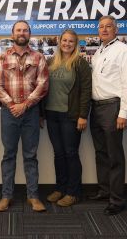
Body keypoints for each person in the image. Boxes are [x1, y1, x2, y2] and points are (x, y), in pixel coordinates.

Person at [0, 20, 49, 212]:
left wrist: (25, 105)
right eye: (19, 30)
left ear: (29, 33)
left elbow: (43, 84)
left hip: (31, 113)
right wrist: (12, 105)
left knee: (30, 156)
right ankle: (6, 196)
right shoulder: (2, 58)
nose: (22, 33)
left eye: (25, 30)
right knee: (9, 155)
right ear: (12, 33)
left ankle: (33, 196)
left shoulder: (39, 57)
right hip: (9, 113)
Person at [89, 16, 127, 215]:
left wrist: (123, 113)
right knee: (101, 152)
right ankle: (105, 190)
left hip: (113, 107)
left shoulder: (123, 50)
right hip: (96, 107)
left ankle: (116, 200)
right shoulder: (99, 50)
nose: (104, 29)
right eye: (101, 27)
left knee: (114, 155)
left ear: (116, 30)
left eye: (109, 26)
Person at [41, 29, 92, 207]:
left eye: (71, 41)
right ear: (59, 41)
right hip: (52, 114)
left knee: (71, 153)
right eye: (64, 40)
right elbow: (43, 89)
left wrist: (83, 115)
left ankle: (73, 192)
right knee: (59, 154)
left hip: (70, 116)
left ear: (75, 44)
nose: (67, 44)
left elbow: (86, 91)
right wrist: (41, 114)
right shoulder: (50, 62)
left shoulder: (80, 63)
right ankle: (60, 188)